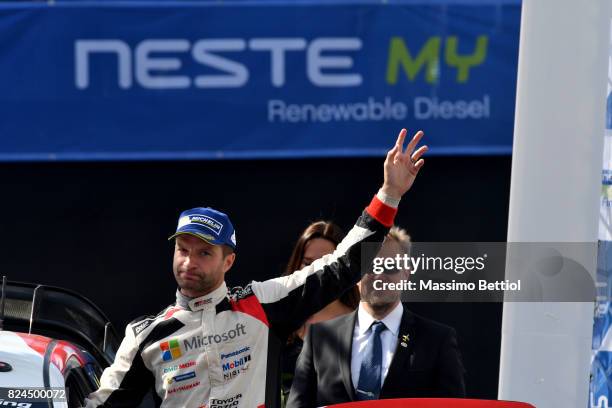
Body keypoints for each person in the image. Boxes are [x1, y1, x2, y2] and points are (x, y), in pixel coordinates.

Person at [84, 128, 428, 408]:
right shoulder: (145, 335)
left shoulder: (262, 303)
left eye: (204, 253)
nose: (189, 261)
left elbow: (342, 265)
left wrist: (389, 194)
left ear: (228, 261)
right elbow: (101, 406)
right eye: (183, 250)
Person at [287, 227, 466, 408]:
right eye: (371, 266)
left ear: (406, 274)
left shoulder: (437, 339)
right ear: (355, 273)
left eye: (390, 266)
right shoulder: (320, 337)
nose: (380, 275)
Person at [280, 221, 359, 405]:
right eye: (307, 263)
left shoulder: (361, 324)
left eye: (326, 263)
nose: (315, 271)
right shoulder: (279, 320)